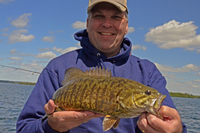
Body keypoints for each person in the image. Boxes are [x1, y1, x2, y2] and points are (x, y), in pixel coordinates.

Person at [17, 0, 187, 133]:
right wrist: (51, 127)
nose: (107, 24)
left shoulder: (148, 73)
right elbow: (24, 128)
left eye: (116, 17)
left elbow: (173, 124)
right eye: (99, 16)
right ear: (87, 22)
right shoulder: (56, 68)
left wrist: (176, 130)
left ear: (126, 25)